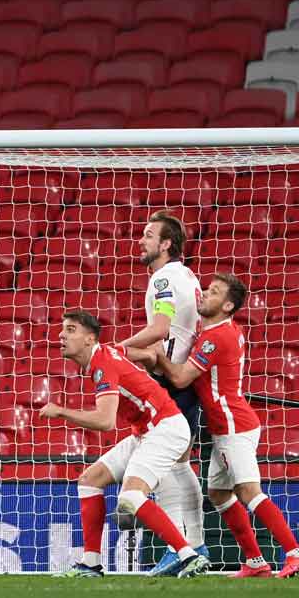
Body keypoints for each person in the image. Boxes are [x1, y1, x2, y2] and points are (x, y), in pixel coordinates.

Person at [151, 273, 299, 579]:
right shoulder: (223, 330)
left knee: (248, 490)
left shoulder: (215, 338)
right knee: (219, 493)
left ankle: (294, 553)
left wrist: (157, 357)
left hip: (234, 425)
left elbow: (179, 379)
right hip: (225, 425)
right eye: (207, 289)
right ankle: (255, 562)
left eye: (214, 292)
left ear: (228, 305)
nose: (205, 294)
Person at [42, 310, 210, 579]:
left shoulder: (102, 363)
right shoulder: (107, 353)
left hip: (165, 428)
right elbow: (145, 355)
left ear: (89, 339)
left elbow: (105, 421)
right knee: (89, 479)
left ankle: (188, 555)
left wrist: (61, 412)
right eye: (63, 329)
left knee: (131, 497)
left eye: (71, 329)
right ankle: (91, 563)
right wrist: (146, 358)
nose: (62, 334)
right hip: (148, 430)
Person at [118, 210, 208, 574]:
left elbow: (160, 329)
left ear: (166, 243)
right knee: (181, 462)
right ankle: (197, 543)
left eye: (149, 235)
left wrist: (115, 349)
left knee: (167, 462)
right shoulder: (186, 275)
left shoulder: (163, 280)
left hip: (172, 381)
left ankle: (180, 548)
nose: (141, 240)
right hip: (184, 378)